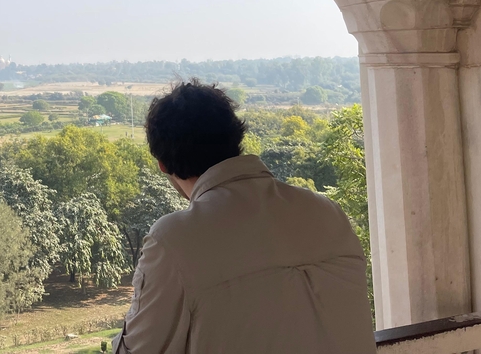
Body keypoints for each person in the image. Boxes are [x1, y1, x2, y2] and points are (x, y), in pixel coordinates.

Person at [113, 79, 375, 354]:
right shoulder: (326, 211)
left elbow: (136, 349)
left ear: (163, 164)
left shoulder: (173, 240)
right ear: (235, 138)